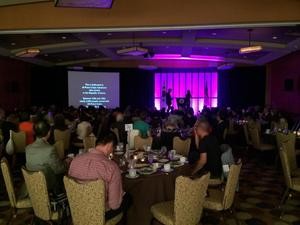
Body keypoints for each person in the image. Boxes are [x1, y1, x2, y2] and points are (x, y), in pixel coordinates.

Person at [68, 134, 131, 220]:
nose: (112, 151)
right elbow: (114, 205)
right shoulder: (112, 167)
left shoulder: (75, 160)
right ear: (109, 145)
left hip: (77, 208)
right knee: (128, 198)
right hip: (99, 213)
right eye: (113, 148)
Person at [25, 120, 69, 194]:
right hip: (48, 183)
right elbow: (59, 169)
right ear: (49, 132)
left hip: (32, 182)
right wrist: (67, 162)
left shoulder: (28, 148)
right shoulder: (49, 149)